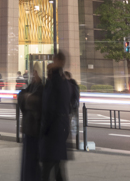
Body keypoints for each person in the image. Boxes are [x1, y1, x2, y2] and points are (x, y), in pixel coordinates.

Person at [39, 52, 72, 181]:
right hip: (61, 128)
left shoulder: (55, 82)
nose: (50, 63)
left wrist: (43, 129)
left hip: (53, 130)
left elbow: (48, 107)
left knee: (47, 170)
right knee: (57, 168)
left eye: (53, 60)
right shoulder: (64, 81)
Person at [18, 67, 43, 181]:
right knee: (28, 160)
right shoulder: (32, 86)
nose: (34, 75)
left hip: (35, 130)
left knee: (32, 161)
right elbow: (21, 95)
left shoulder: (41, 87)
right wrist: (28, 98)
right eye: (33, 73)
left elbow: (35, 101)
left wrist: (29, 98)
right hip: (29, 128)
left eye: (36, 73)